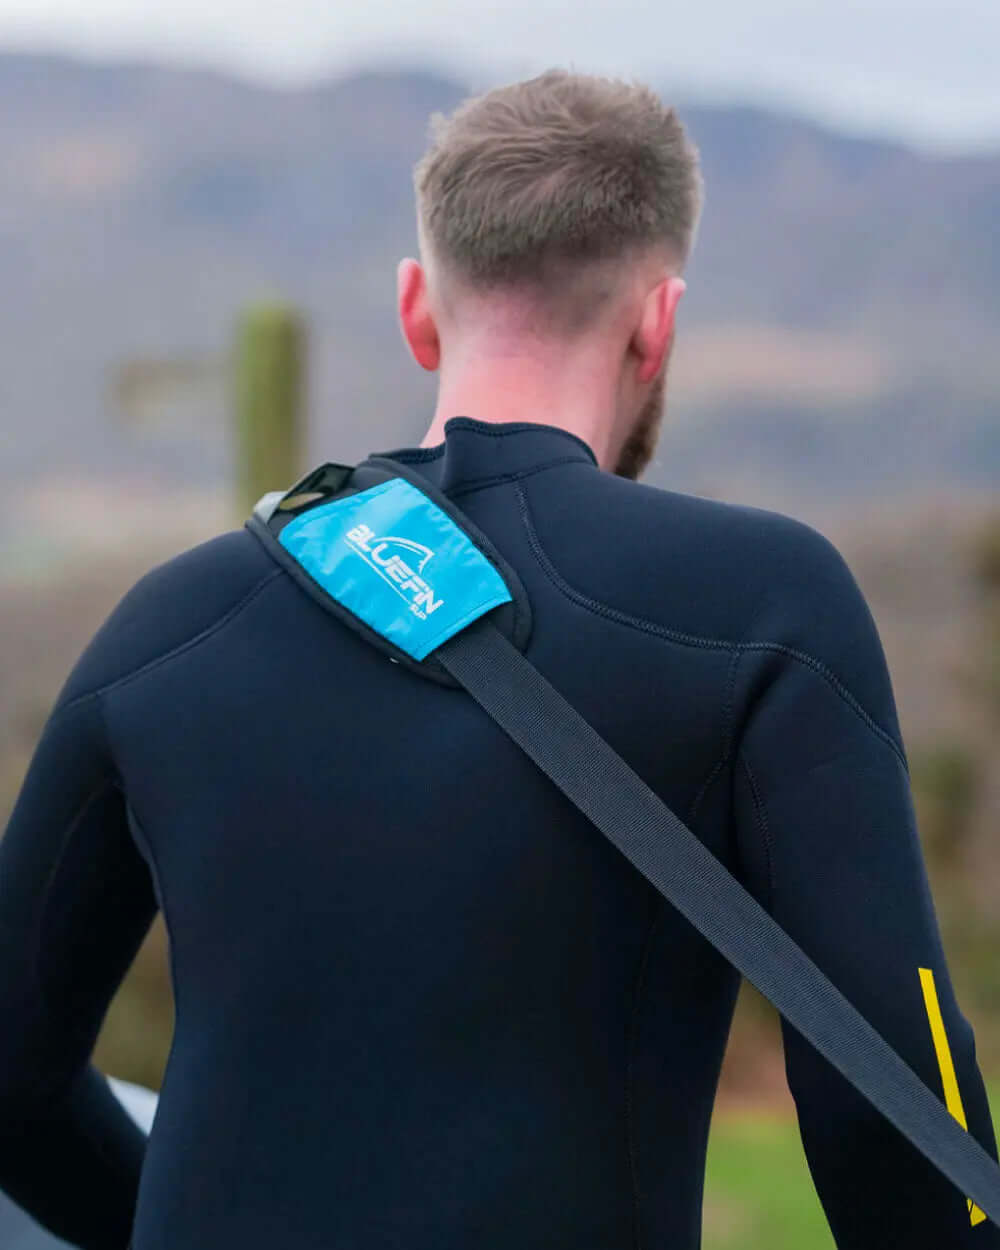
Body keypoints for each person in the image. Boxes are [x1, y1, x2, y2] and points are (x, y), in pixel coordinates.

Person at [0, 67, 996, 1250]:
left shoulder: (165, 626)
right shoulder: (762, 604)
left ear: (417, 307)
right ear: (657, 319)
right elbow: (902, 1135)